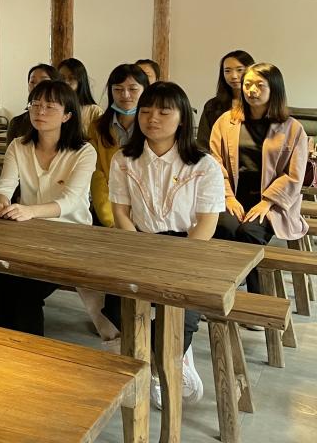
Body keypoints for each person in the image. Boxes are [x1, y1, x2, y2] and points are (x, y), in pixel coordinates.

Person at [108, 81, 225, 408]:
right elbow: (120, 212)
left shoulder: (204, 165)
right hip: (139, 242)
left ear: (183, 118)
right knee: (118, 305)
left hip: (188, 247)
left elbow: (206, 224)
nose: (152, 119)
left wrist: (175, 259)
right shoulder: (124, 159)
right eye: (145, 111)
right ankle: (155, 359)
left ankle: (168, 363)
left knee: (178, 312)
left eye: (163, 112)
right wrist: (139, 248)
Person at [0, 80, 95, 336]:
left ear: (67, 115)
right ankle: (2, 349)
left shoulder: (84, 152)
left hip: (70, 238)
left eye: (50, 107)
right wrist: (1, 202)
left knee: (25, 293)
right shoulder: (18, 145)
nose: (40, 111)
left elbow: (70, 201)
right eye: (35, 105)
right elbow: (5, 185)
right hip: (27, 236)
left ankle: (29, 354)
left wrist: (30, 211)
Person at [210, 63, 309, 292]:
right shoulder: (226, 121)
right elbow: (215, 164)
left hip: (272, 203)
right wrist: (228, 197)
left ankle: (258, 297)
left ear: (274, 89)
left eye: (259, 85)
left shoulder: (292, 128)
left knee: (249, 232)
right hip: (232, 197)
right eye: (248, 84)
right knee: (224, 226)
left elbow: (294, 175)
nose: (252, 90)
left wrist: (267, 202)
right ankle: (222, 290)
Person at [87, 64, 150, 228]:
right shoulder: (98, 128)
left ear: (145, 90)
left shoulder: (153, 127)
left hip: (149, 215)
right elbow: (98, 175)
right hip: (109, 211)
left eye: (133, 89)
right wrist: (111, 218)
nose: (125, 95)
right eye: (118, 89)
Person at [196, 50, 255, 150]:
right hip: (216, 158)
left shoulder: (261, 104)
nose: (234, 76)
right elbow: (203, 144)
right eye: (227, 71)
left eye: (239, 70)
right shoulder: (212, 106)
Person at [6, 64, 60, 147]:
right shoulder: (17, 123)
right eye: (32, 82)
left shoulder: (65, 121)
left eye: (43, 82)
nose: (36, 86)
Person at [58, 57, 103, 134]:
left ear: (81, 81)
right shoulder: (51, 108)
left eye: (71, 78)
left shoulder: (94, 112)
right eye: (62, 78)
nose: (65, 82)